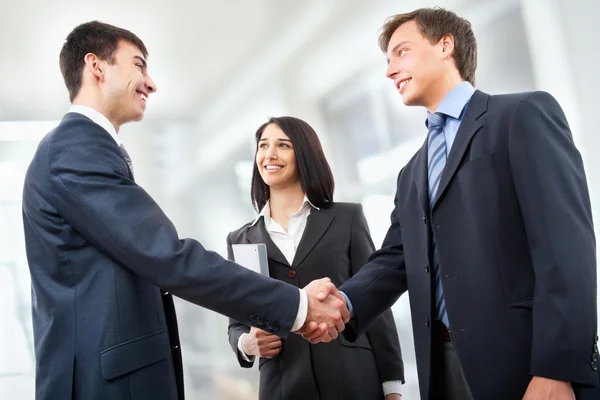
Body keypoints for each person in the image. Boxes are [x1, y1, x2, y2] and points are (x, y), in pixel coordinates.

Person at [21, 21, 348, 400]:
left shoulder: (83, 149)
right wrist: (298, 305)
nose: (151, 83)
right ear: (97, 66)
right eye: (139, 65)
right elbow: (167, 256)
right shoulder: (74, 150)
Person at [303, 7, 599, 400]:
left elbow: (567, 247)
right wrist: (344, 301)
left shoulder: (521, 115)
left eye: (401, 52)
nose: (390, 71)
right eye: (387, 60)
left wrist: (557, 367)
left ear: (446, 45)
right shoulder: (411, 173)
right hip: (440, 368)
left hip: (526, 364)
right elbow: (394, 259)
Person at [226, 116, 405, 400]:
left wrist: (391, 386)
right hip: (283, 385)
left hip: (353, 378)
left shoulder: (346, 218)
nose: (269, 154)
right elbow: (236, 323)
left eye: (282, 145)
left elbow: (376, 302)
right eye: (263, 146)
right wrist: (247, 344)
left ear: (305, 154)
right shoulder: (240, 239)